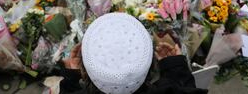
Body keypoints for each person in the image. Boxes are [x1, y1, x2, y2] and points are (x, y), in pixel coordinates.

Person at [58, 13, 207, 94]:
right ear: (150, 68)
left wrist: (71, 78)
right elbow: (185, 89)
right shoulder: (169, 89)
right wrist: (175, 68)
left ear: (85, 72)